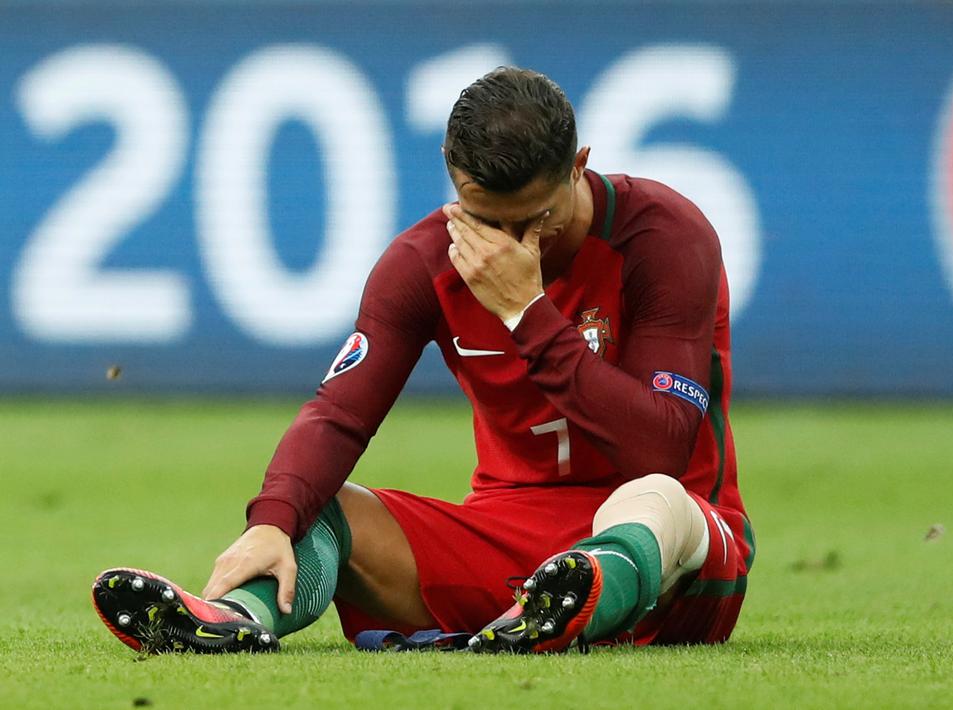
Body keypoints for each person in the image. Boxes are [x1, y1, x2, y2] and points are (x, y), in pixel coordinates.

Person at [91, 67, 754, 654]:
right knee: (318, 504)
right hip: (511, 539)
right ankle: (233, 619)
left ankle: (580, 595)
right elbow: (338, 415)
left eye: (534, 218)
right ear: (449, 169)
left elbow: (660, 448)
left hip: (681, 559)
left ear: (578, 165)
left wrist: (527, 313)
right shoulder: (422, 263)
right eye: (483, 218)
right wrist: (271, 522)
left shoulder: (664, 237)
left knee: (654, 500)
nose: (507, 243)